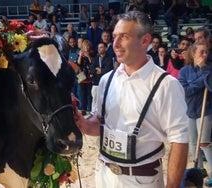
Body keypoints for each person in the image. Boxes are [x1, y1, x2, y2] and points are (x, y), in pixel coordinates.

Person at [74, 11, 189, 188]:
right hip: (104, 175)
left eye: (124, 37)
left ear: (145, 41)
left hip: (141, 180)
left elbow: (179, 140)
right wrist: (82, 122)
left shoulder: (166, 85)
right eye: (114, 37)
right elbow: (100, 123)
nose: (116, 44)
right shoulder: (107, 80)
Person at [178, 42, 212, 187]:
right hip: (190, 111)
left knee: (204, 143)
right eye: (202, 52)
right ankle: (199, 173)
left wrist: (204, 71)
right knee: (193, 144)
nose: (205, 55)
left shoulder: (209, 69)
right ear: (193, 54)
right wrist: (200, 81)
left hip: (206, 111)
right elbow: (184, 91)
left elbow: (210, 86)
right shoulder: (185, 71)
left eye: (206, 52)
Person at [90, 42, 113, 114]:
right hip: (96, 81)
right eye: (98, 47)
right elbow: (92, 69)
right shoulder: (95, 58)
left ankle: (104, 113)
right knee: (95, 98)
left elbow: (108, 69)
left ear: (106, 48)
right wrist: (98, 70)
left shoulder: (109, 58)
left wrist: (101, 70)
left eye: (101, 47)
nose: (99, 49)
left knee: (105, 99)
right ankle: (93, 113)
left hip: (106, 82)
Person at [77, 39, 95, 116]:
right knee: (82, 93)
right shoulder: (80, 53)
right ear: (83, 47)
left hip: (89, 75)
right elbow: (78, 63)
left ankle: (89, 108)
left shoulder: (92, 54)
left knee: (89, 94)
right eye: (85, 46)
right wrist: (81, 56)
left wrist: (88, 56)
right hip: (81, 75)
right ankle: (82, 108)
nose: (87, 48)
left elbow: (93, 64)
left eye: (88, 46)